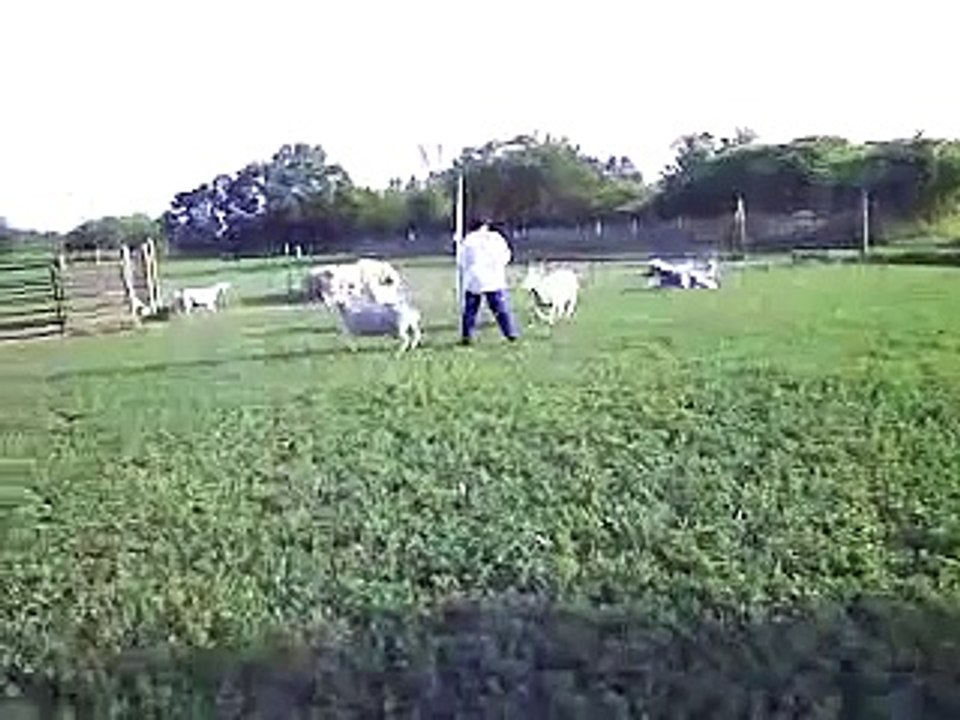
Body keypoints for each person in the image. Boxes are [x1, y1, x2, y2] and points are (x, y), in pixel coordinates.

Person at [457, 218, 519, 345]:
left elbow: (462, 260)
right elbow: (506, 256)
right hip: (494, 279)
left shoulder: (469, 240)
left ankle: (466, 336)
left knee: (470, 310)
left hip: (474, 279)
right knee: (501, 309)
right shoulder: (496, 238)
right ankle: (510, 333)